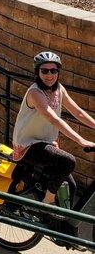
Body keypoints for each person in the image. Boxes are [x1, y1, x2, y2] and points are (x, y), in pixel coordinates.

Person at [13, 51, 95, 206]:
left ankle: (60, 223)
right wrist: (82, 140)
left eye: (53, 71)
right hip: (28, 145)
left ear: (58, 72)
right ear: (37, 72)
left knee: (70, 186)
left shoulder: (59, 89)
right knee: (68, 161)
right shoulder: (35, 93)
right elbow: (54, 119)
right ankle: (47, 203)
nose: (49, 75)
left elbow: (77, 112)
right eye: (44, 71)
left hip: (45, 142)